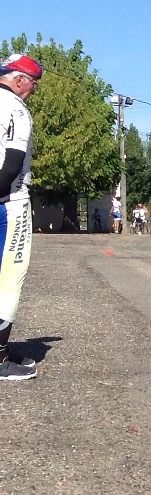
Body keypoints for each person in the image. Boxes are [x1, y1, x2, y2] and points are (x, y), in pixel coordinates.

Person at [0, 54, 44, 379]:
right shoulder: (16, 109)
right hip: (10, 202)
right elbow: (12, 166)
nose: (32, 91)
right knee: (9, 280)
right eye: (32, 84)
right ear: (18, 80)